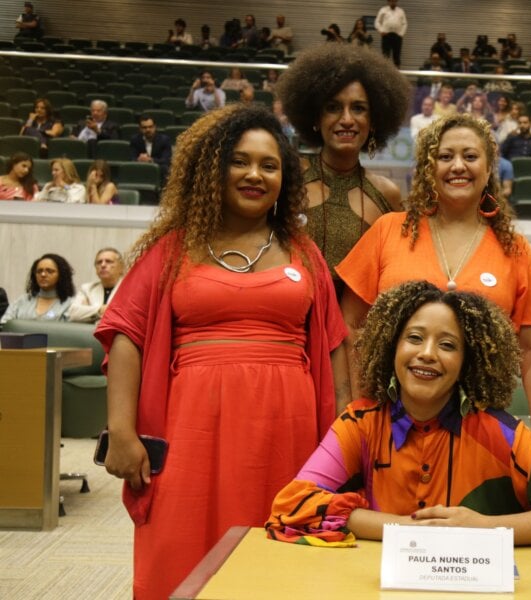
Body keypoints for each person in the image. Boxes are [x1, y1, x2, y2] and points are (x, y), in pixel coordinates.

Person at [95, 104, 348, 600]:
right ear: (213, 169)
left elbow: (334, 348)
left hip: (287, 431)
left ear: (284, 177)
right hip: (191, 427)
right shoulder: (172, 249)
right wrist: (123, 432)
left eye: (269, 165)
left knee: (280, 554)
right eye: (239, 161)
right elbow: (127, 335)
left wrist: (342, 443)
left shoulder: (304, 252)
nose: (255, 174)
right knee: (181, 542)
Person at [266, 281, 531, 547]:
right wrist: (406, 530)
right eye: (414, 338)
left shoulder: (500, 432)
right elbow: (294, 505)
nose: (427, 354)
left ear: (466, 362)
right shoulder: (360, 424)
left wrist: (484, 528)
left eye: (447, 345)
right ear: (392, 347)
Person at [337, 113, 531, 448]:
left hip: (479, 431)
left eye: (470, 156)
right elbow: (350, 324)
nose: (457, 166)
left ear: (488, 170)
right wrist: (357, 407)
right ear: (428, 168)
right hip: (389, 423)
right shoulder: (388, 231)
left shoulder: (513, 247)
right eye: (444, 156)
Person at [276, 43, 409, 292]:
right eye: (333, 107)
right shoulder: (289, 181)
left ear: (374, 121)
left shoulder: (387, 194)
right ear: (315, 118)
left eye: (358, 108)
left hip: (356, 327)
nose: (347, 119)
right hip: (292, 320)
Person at [1, 253, 75, 325]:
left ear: (61, 275)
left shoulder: (71, 305)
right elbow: (4, 326)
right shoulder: (22, 301)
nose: (43, 275)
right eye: (39, 271)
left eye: (49, 271)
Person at [67, 247, 124, 323]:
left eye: (109, 261)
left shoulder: (131, 289)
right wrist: (100, 310)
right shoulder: (87, 289)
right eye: (99, 262)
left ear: (121, 267)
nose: (103, 265)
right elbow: (72, 314)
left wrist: (88, 311)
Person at [130, 115, 173, 184]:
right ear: (140, 129)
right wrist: (139, 159)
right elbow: (132, 158)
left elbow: (166, 160)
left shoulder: (164, 140)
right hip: (141, 171)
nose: (148, 130)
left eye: (150, 127)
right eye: (144, 127)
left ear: (155, 127)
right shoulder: (135, 140)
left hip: (159, 173)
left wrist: (150, 160)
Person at [375, 0, 407, 67]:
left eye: (394, 1)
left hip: (397, 36)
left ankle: (397, 73)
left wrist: (401, 34)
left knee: (397, 56)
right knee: (385, 56)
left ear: (396, 1)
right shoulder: (383, 10)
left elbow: (405, 24)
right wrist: (381, 31)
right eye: (391, 1)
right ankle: (385, 72)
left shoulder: (401, 11)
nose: (393, 2)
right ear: (388, 1)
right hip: (386, 36)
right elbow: (377, 22)